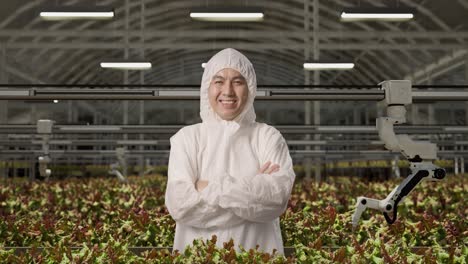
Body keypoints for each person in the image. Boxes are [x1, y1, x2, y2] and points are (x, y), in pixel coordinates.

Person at [165, 48, 295, 254]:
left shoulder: (268, 136)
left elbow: (276, 199)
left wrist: (205, 187)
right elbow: (180, 205)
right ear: (207, 87)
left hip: (257, 256)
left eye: (237, 81)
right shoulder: (186, 138)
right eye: (219, 81)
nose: (228, 91)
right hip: (197, 257)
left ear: (250, 88)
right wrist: (252, 194)